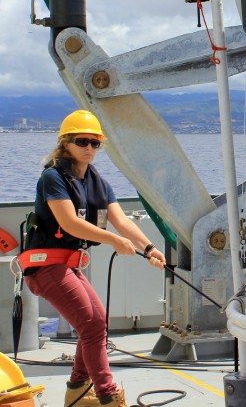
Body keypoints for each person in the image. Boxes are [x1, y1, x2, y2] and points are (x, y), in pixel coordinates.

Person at [21, 110, 166, 407]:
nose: (88, 148)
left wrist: (149, 247)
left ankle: (77, 388)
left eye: (94, 143)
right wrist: (113, 240)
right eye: (81, 141)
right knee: (90, 324)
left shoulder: (97, 182)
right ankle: (107, 395)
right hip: (45, 266)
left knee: (97, 322)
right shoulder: (53, 177)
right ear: (66, 143)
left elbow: (121, 221)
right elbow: (70, 223)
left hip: (68, 265)